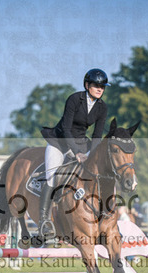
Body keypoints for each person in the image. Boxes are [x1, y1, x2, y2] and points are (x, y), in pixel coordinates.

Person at [38, 68, 109, 238]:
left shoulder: (102, 107)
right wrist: (76, 152)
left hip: (81, 142)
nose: (100, 89)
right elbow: (66, 129)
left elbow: (97, 135)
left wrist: (92, 154)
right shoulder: (74, 99)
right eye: (96, 85)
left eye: (102, 86)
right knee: (52, 176)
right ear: (87, 85)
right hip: (60, 141)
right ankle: (43, 221)